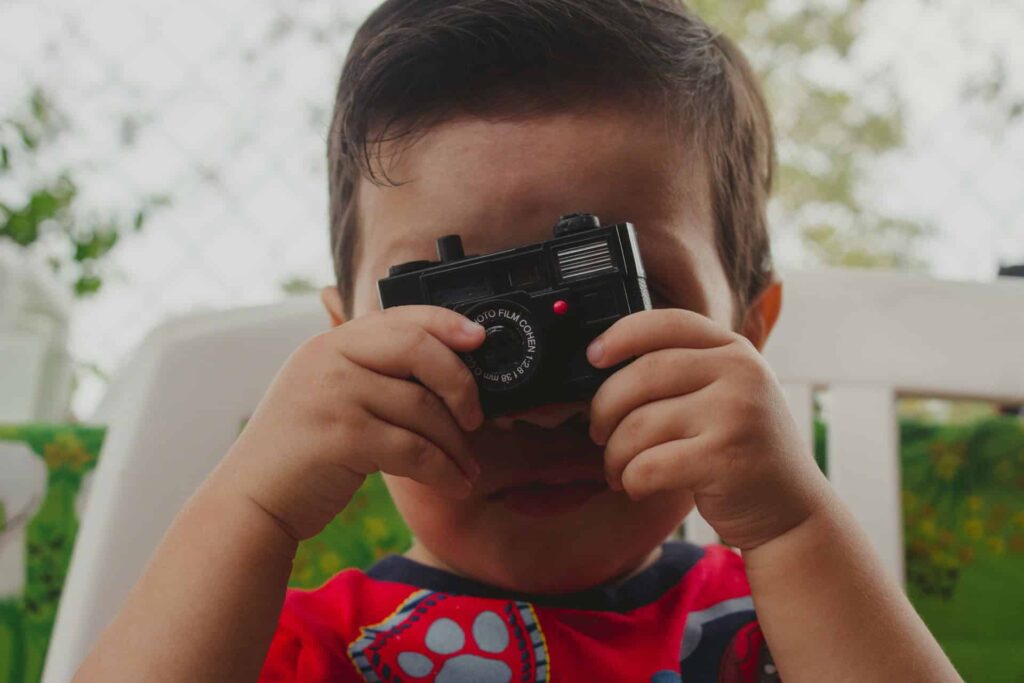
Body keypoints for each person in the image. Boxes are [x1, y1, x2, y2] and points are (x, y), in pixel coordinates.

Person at [75, 1, 961, 681]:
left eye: (615, 300)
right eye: (464, 320)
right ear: (347, 345)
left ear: (748, 336)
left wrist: (794, 524)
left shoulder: (788, 625)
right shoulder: (307, 645)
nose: (541, 403)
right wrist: (251, 508)